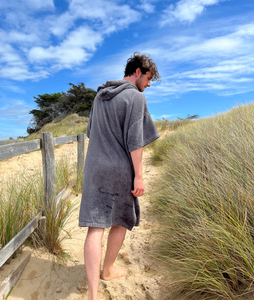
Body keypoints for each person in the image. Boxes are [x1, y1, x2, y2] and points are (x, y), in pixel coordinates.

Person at [79, 52, 161, 300]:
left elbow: (91, 131)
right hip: (119, 169)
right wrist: (139, 177)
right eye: (148, 78)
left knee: (95, 227)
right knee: (121, 220)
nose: (148, 84)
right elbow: (136, 142)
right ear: (137, 71)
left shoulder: (99, 95)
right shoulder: (135, 98)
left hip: (93, 168)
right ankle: (108, 270)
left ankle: (93, 295)